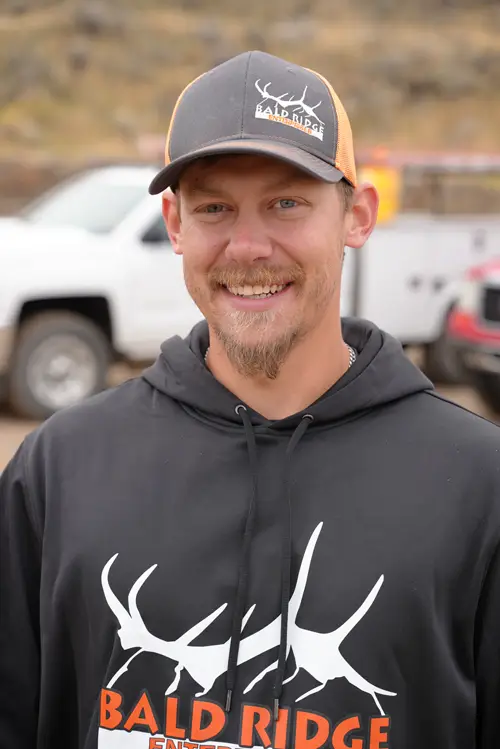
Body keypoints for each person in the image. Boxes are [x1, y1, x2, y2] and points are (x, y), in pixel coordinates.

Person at [1, 50, 499, 749]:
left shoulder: (477, 485)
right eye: (214, 207)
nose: (248, 244)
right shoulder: (61, 469)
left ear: (357, 215)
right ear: (175, 225)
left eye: (286, 203)